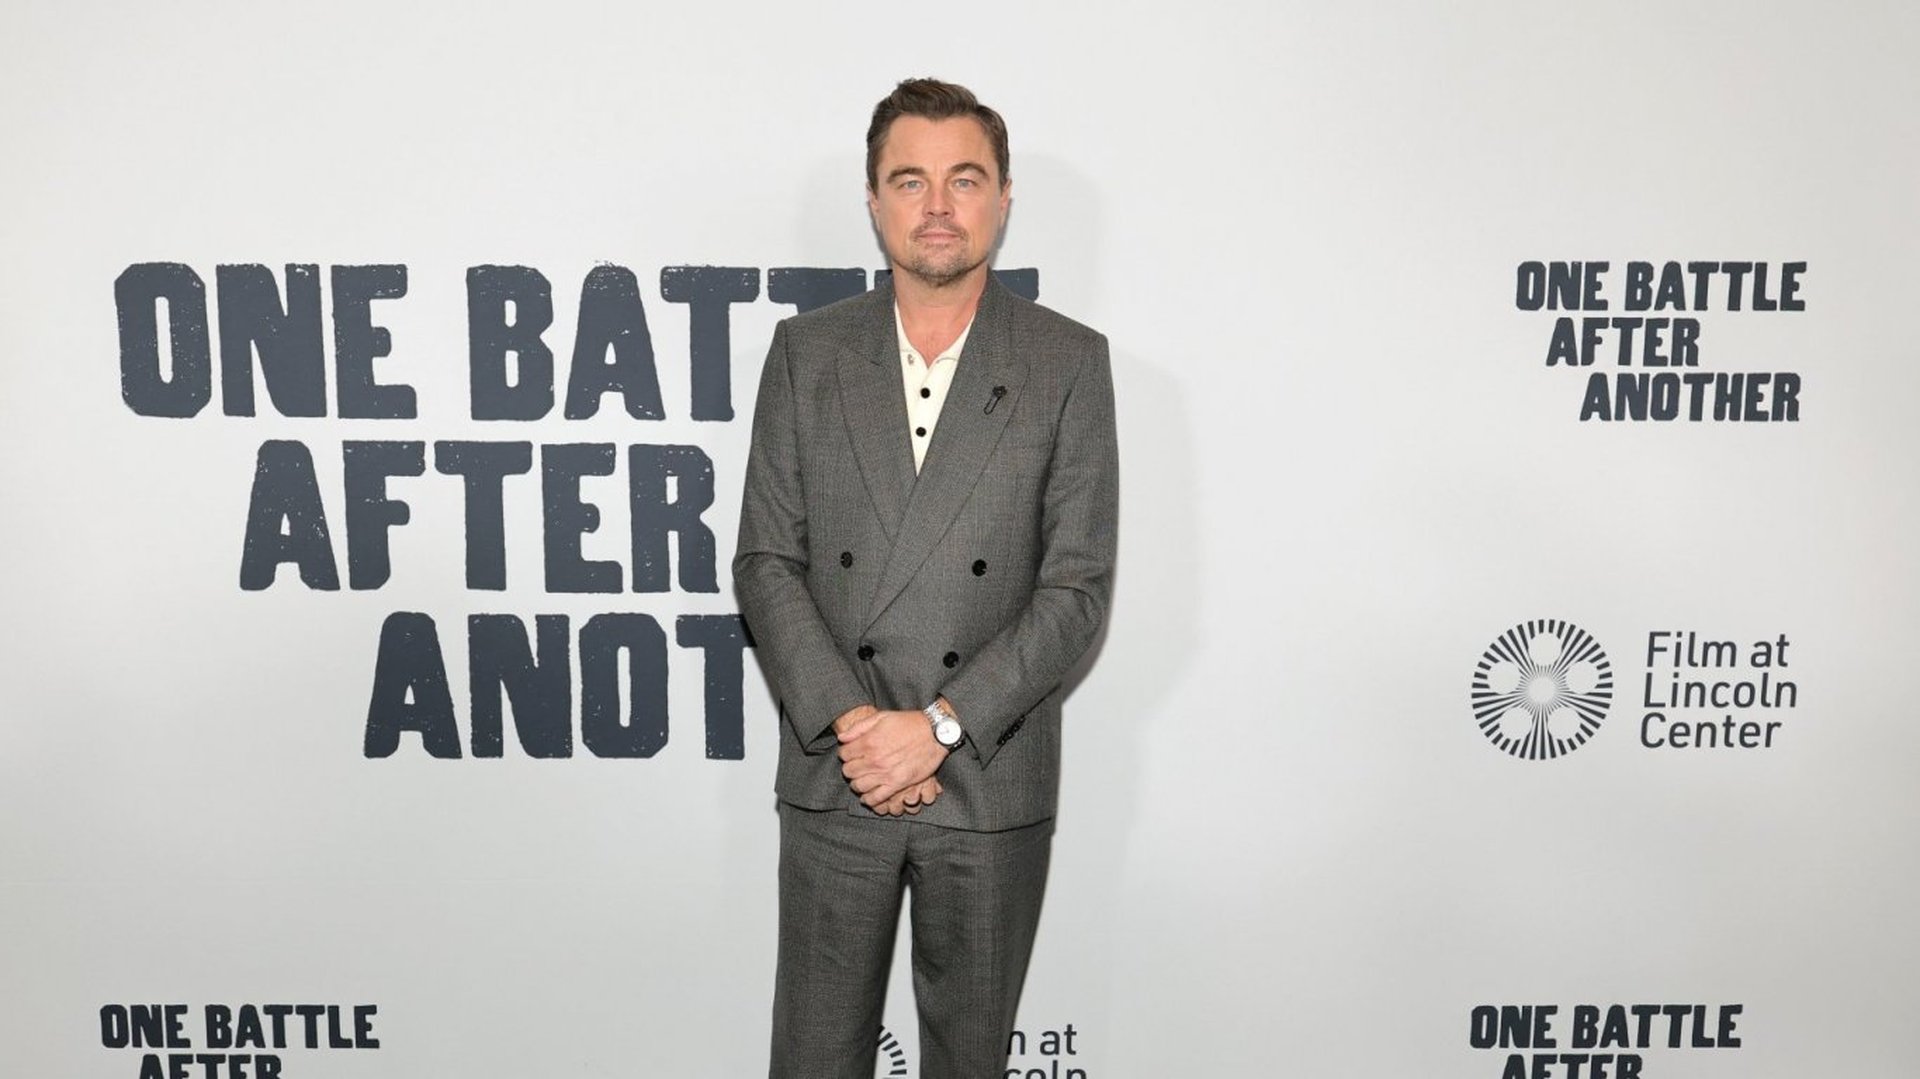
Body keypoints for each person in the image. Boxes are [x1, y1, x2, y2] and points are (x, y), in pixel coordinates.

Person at [734, 76, 1118, 1079]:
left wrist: (938, 726)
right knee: (814, 1058)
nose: (938, 205)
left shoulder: (1068, 362)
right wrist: (859, 727)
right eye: (911, 180)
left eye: (964, 179)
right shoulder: (806, 353)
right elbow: (766, 559)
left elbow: (1075, 589)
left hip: (987, 776)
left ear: (1002, 198)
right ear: (874, 202)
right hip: (839, 771)